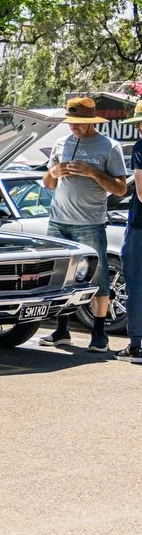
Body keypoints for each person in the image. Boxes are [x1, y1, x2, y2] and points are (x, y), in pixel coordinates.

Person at [39, 97, 128, 351]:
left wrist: (93, 173)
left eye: (79, 122)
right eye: (71, 122)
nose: (74, 127)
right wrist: (53, 173)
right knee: (59, 278)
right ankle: (61, 330)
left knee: (98, 278)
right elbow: (48, 184)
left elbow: (121, 189)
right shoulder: (61, 143)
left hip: (90, 223)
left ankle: (99, 333)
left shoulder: (109, 147)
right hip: (58, 221)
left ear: (91, 121)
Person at [119, 101, 142, 363]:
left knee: (136, 284)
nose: (137, 128)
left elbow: (141, 192)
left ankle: (136, 345)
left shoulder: (141, 148)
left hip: (140, 225)